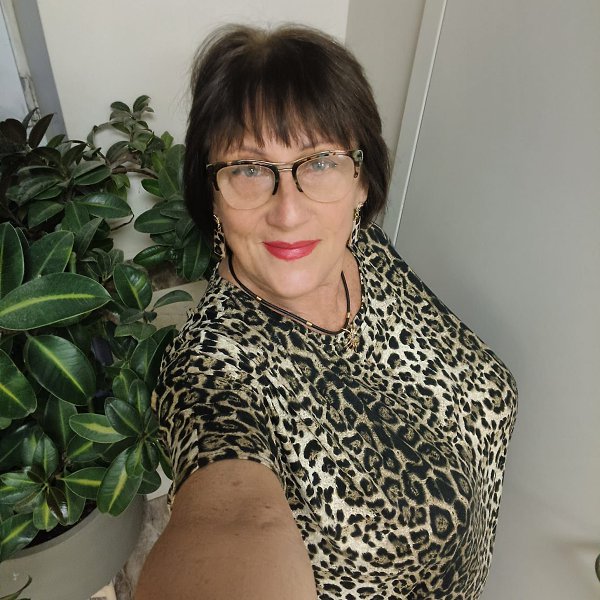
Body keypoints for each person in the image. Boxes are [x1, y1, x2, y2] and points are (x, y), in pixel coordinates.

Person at [135, 24, 517, 600]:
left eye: (319, 162)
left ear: (361, 181)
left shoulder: (362, 251)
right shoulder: (209, 370)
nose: (289, 212)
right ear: (211, 194)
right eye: (248, 168)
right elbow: (231, 519)